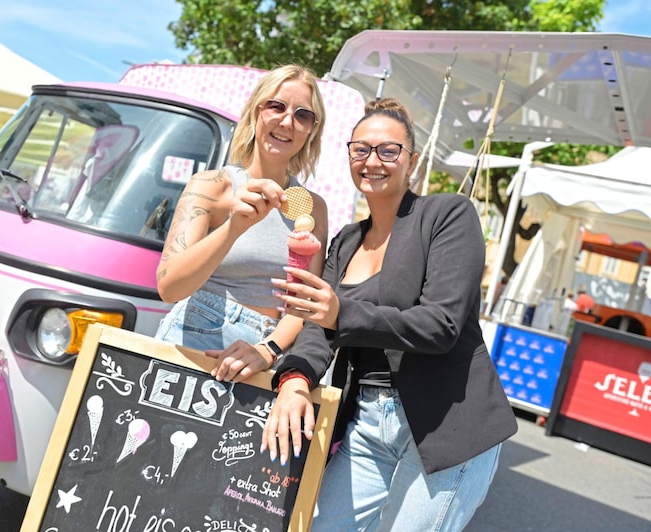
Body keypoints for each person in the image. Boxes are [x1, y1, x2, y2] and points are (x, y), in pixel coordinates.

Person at [262, 98, 518, 530]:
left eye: (388, 150)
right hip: (366, 421)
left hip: (447, 421)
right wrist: (294, 379)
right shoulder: (345, 241)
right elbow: (317, 326)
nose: (372, 161)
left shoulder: (447, 216)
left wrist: (342, 312)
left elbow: (442, 325)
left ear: (411, 161)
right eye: (361, 149)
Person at [155, 64, 328, 383]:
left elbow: (301, 304)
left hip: (264, 355)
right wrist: (234, 227)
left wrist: (268, 349)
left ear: (311, 130)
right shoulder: (211, 185)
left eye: (302, 115)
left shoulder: (313, 207)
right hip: (196, 336)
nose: (287, 121)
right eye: (276, 106)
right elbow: (169, 287)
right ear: (255, 112)